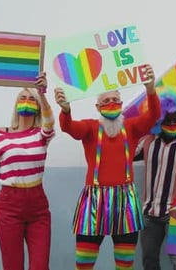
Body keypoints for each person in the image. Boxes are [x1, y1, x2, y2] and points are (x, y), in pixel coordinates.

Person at [54, 64, 160, 270]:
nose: (111, 103)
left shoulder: (132, 127)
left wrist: (150, 89)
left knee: (124, 265)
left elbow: (154, 115)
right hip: (93, 202)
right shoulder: (90, 127)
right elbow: (70, 127)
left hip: (125, 202)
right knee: (83, 264)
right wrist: (66, 110)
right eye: (105, 101)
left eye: (115, 100)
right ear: (97, 107)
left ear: (121, 104)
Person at [0, 73, 54, 270]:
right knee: (12, 266)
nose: (27, 102)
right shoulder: (1, 135)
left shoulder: (41, 135)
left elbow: (49, 122)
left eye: (31, 99)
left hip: (38, 208)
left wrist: (42, 94)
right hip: (8, 208)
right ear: (16, 105)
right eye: (23, 98)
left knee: (40, 266)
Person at [134, 85, 176, 270]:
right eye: (168, 118)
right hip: (149, 212)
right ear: (158, 118)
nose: (173, 122)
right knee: (149, 259)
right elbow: (125, 155)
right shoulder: (147, 141)